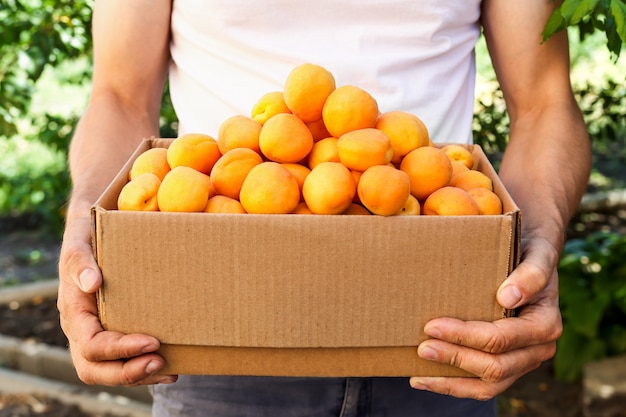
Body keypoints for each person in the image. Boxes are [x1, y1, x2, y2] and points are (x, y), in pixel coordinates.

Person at [57, 0, 591, 416]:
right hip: (217, 318)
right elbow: (119, 97)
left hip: (443, 321)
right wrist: (87, 227)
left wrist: (535, 241)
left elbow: (546, 102)